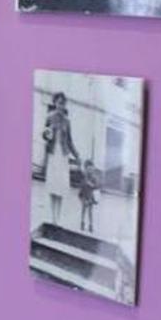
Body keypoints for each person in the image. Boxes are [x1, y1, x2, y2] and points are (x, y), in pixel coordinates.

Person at [41, 92, 80, 227]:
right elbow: (44, 136)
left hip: (63, 156)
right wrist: (48, 133)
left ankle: (59, 218)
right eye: (58, 102)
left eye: (63, 103)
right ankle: (53, 218)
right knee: (53, 186)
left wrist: (77, 155)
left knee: (61, 187)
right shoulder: (49, 117)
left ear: (64, 105)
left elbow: (70, 141)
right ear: (55, 103)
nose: (60, 105)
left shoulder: (67, 121)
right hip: (52, 155)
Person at [79, 159, 101, 233]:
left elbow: (97, 186)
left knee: (90, 211)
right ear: (86, 169)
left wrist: (91, 184)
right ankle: (82, 222)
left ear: (93, 169)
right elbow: (81, 186)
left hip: (91, 196)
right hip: (84, 195)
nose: (90, 171)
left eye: (91, 169)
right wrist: (80, 195)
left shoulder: (94, 177)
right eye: (88, 169)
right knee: (83, 209)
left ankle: (91, 224)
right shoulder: (84, 177)